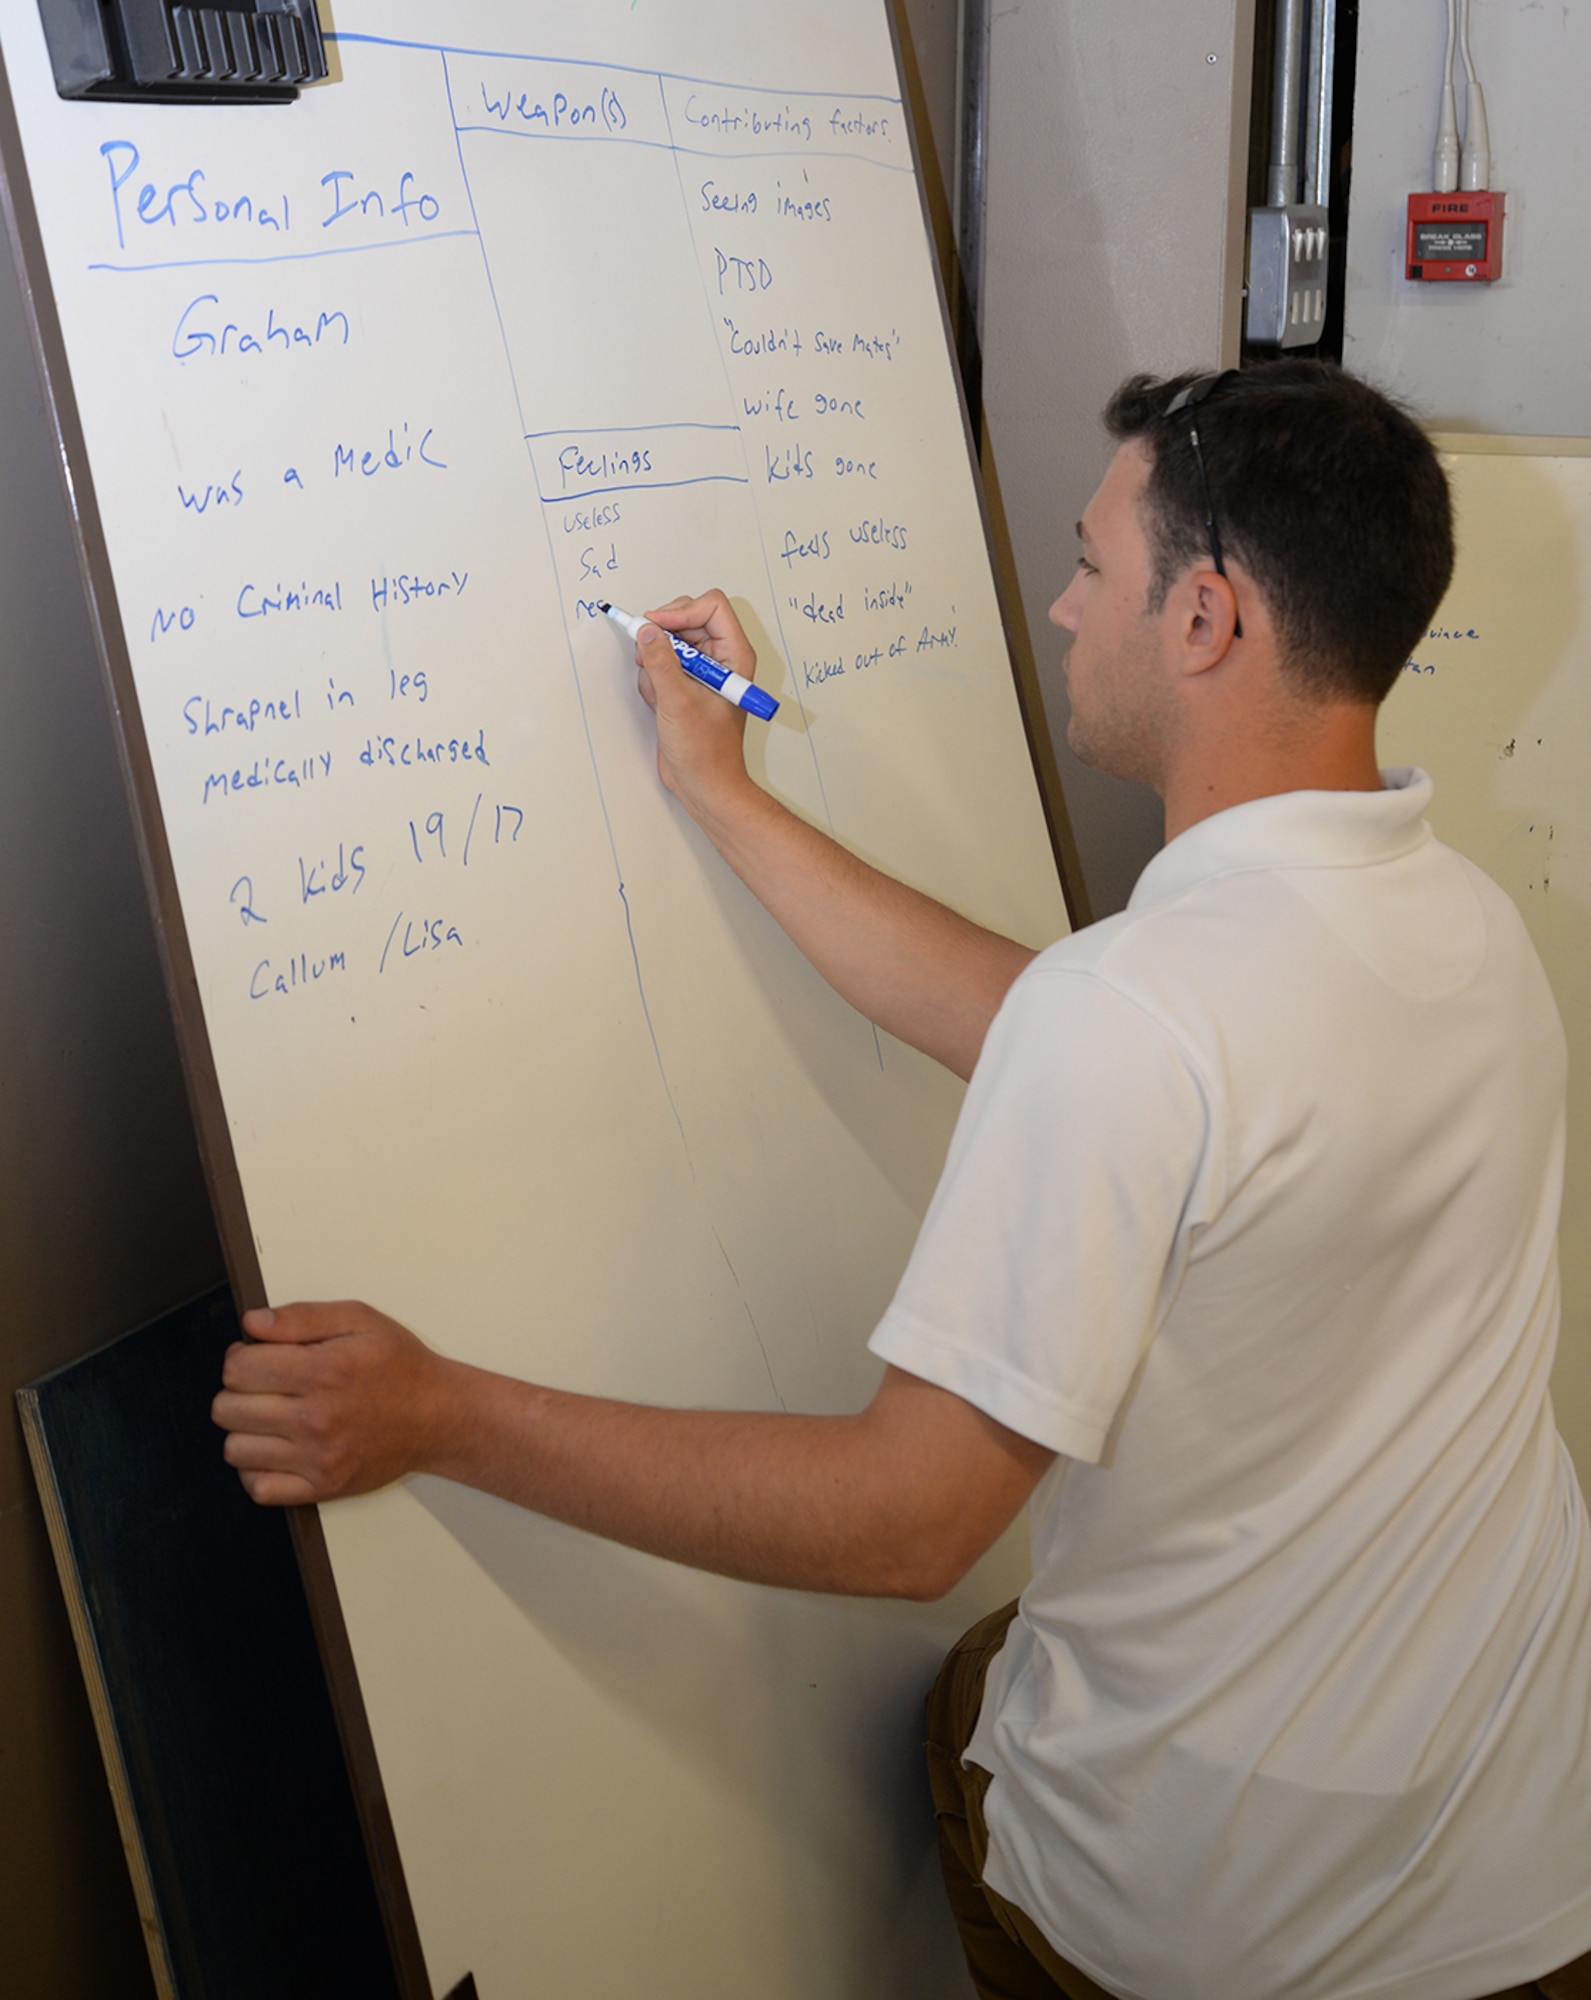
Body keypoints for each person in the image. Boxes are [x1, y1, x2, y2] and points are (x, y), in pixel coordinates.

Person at [213, 360, 1591, 2000]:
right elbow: (1062, 1037)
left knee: (960, 1719)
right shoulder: (1457, 925)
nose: (1068, 610)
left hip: (1245, 1930)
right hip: (1522, 1843)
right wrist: (715, 794)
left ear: (1209, 619)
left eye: (1094, 565)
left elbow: (906, 1524)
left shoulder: (1140, 1025)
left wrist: (437, 1413)